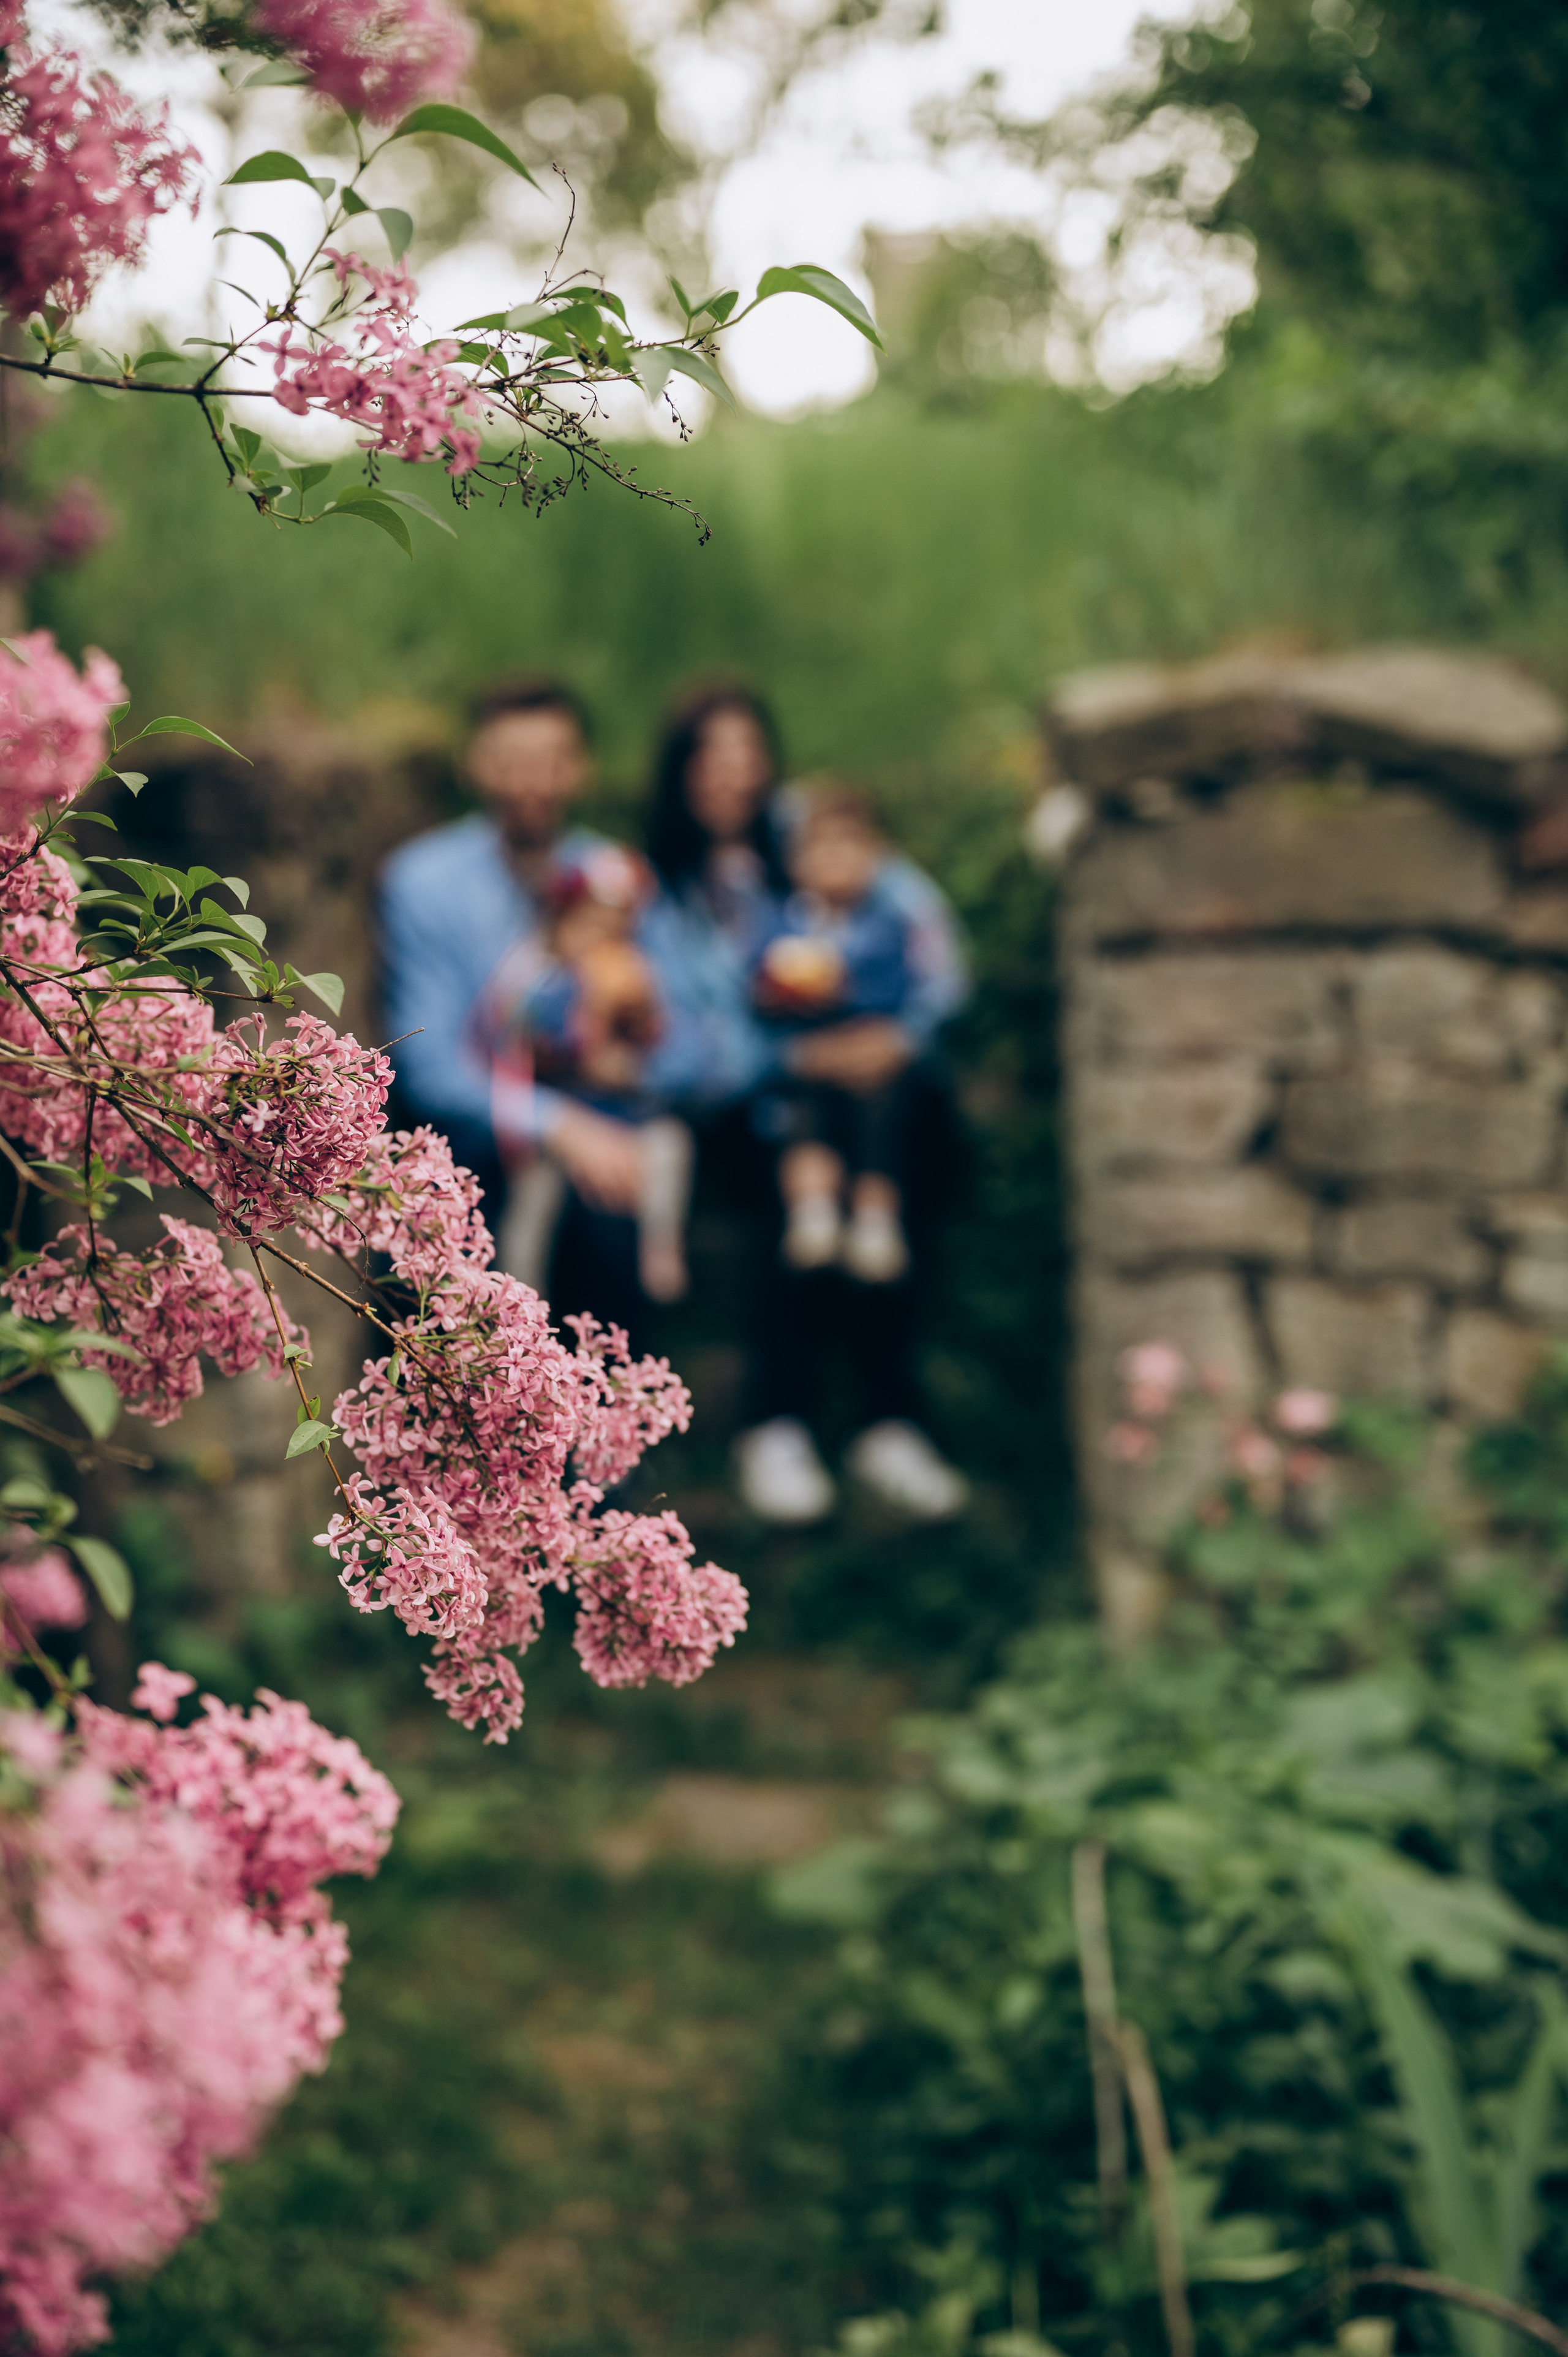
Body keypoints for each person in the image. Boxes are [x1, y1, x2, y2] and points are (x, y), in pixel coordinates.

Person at [642, 683, 971, 1526]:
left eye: (750, 759)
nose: (736, 779)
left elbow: (927, 936)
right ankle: (776, 1420)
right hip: (747, 1104)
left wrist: (901, 1036)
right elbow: (687, 1044)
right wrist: (797, 1055)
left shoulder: (807, 836)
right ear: (680, 774)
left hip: (867, 1078)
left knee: (899, 1140)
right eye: (714, 761)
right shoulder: (663, 894)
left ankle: (887, 1423)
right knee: (788, 1171)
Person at [377, 677, 646, 1318]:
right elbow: (430, 1065)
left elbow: (683, 1033)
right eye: (511, 761)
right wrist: (559, 1125)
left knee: (611, 1217)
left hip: (599, 1109)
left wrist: (632, 1055)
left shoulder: (614, 878)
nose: (533, 782)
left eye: (552, 760)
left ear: (583, 767)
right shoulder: (423, 880)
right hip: (474, 1130)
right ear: (474, 764)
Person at [483, 841, 694, 1305]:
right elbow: (526, 1031)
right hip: (562, 1117)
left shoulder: (640, 971)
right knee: (535, 1196)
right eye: (588, 925)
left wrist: (640, 1019)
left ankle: (660, 1247)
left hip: (627, 1117)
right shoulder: (544, 978)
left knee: (671, 1147)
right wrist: (587, 1012)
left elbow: (670, 1044)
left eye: (616, 929)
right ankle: (518, 1290)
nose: (601, 939)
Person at [750, 784, 927, 1285]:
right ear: (796, 861)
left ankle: (876, 1220)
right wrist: (778, 990)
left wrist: (843, 991)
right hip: (809, 1062)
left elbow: (896, 984)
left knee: (882, 1116)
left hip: (869, 1063)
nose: (835, 860)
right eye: (821, 847)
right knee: (804, 1118)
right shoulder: (782, 921)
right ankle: (812, 1212)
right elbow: (756, 983)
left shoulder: (885, 924)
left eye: (849, 846)